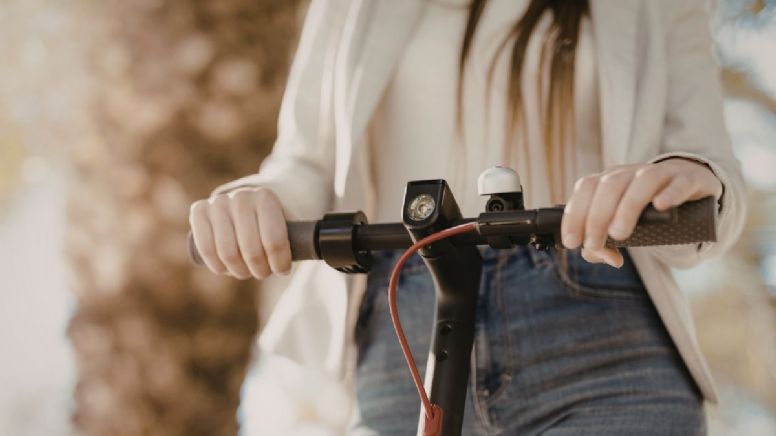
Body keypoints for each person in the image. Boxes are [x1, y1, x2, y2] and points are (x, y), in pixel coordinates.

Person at [188, 0, 746, 434]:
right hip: (404, 330)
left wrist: (682, 178)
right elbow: (304, 162)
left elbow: (706, 165)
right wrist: (254, 197)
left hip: (601, 333)